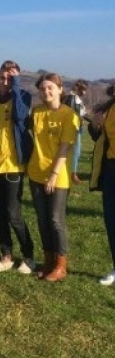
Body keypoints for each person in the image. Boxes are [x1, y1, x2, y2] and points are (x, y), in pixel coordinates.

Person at [0, 60, 35, 274]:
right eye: (3, 77)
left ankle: (29, 256)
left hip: (13, 165)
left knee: (14, 214)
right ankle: (6, 255)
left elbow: (20, 116)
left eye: (10, 78)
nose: (6, 81)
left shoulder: (23, 96)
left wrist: (17, 85)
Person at [28, 72, 78, 282]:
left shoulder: (69, 115)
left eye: (50, 87)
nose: (46, 91)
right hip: (35, 172)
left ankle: (60, 265)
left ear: (60, 89)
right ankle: (48, 261)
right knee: (42, 219)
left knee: (56, 220)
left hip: (58, 176)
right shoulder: (37, 112)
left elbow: (65, 147)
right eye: (42, 88)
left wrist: (54, 174)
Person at [87, 83, 115, 285]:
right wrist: (94, 125)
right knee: (112, 221)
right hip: (111, 170)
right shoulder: (109, 108)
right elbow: (98, 136)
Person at [65, 79, 88, 184]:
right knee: (75, 151)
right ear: (78, 88)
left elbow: (82, 114)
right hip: (74, 127)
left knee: (76, 151)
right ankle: (72, 173)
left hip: (78, 126)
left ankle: (72, 171)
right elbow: (71, 113)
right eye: (83, 89)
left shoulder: (76, 99)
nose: (84, 92)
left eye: (85, 90)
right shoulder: (72, 98)